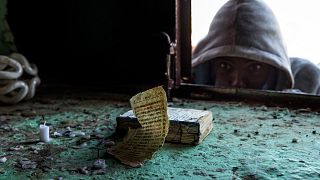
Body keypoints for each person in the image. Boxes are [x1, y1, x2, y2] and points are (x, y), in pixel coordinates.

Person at [192, 0, 320, 95]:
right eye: (225, 66)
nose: (237, 82)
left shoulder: (308, 81)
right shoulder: (199, 87)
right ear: (210, 65)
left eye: (254, 68)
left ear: (273, 68)